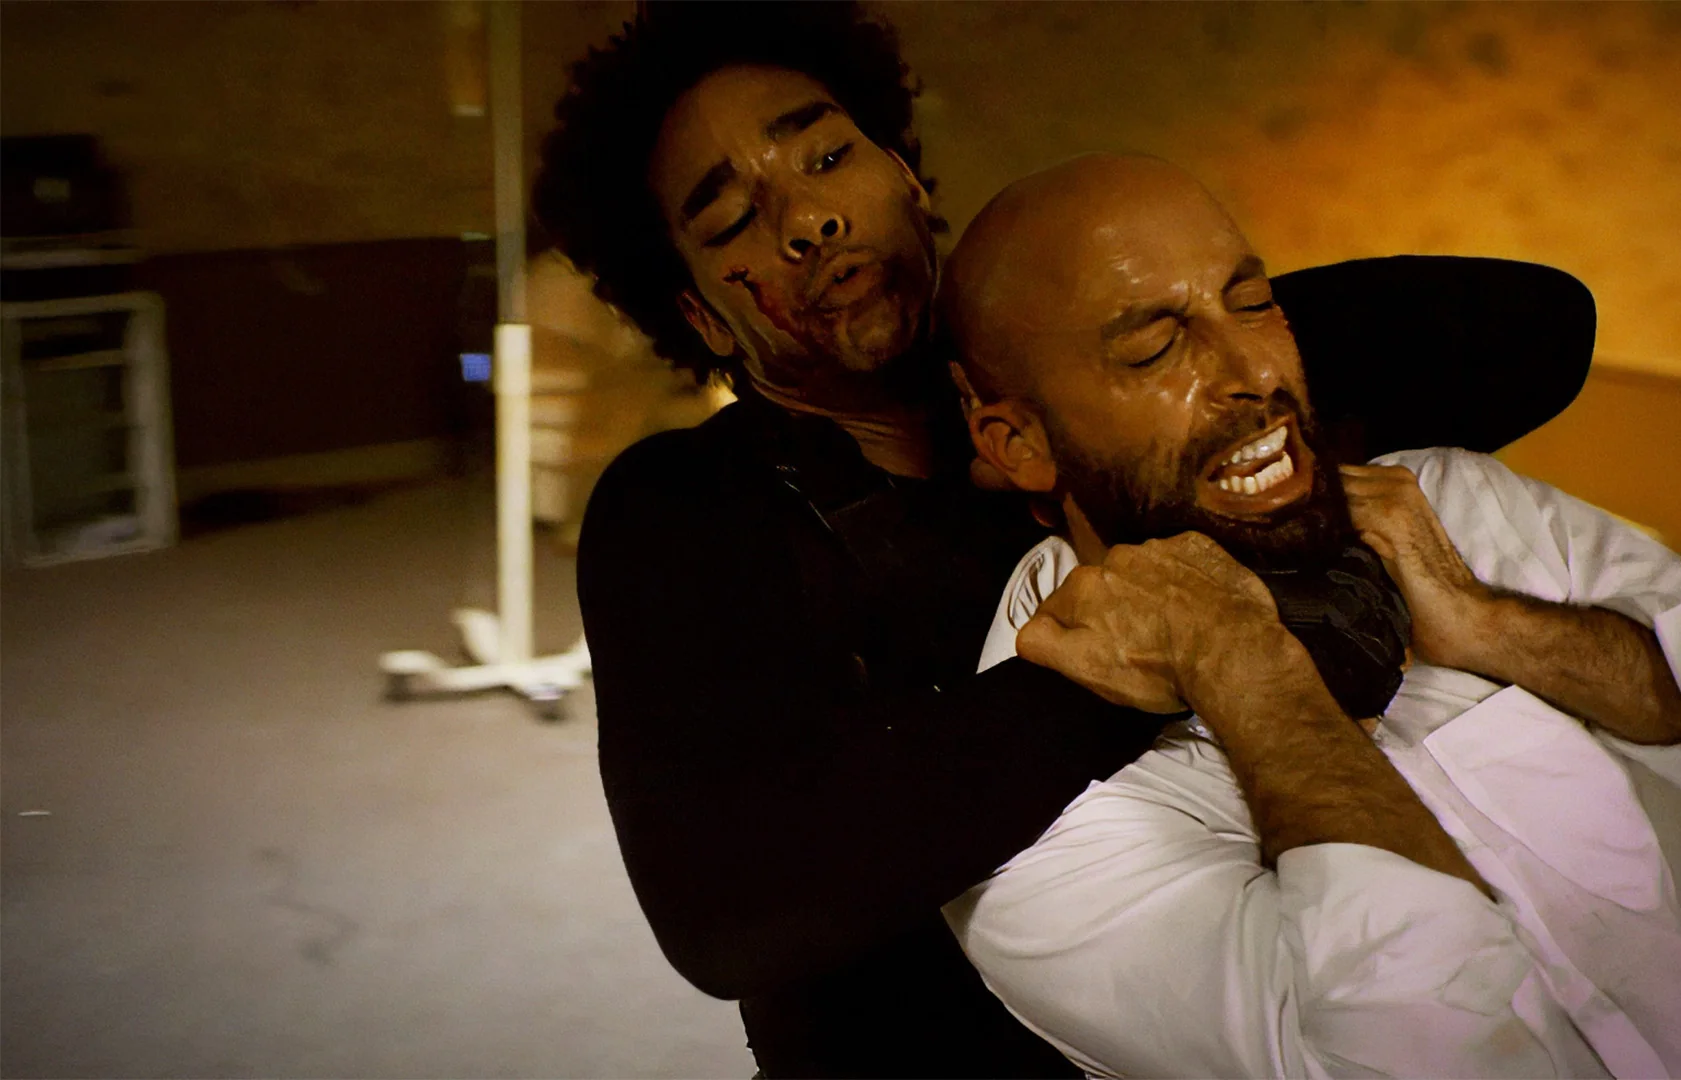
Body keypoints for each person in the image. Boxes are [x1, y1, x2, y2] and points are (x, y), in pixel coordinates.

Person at [534, 4, 1600, 1075]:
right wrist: (1136, 667)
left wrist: (1161, 325)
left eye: (826, 158)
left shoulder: (1082, 393)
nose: (807, 219)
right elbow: (725, 911)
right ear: (702, 316)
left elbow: (1540, 330)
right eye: (733, 222)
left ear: (905, 177)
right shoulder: (683, 511)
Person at [936, 152, 1681, 1078]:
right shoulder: (1027, 827)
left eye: (1253, 302)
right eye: (1155, 348)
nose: (1256, 374)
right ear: (1020, 442)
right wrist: (1246, 670)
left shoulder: (1442, 507)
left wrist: (1496, 626)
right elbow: (1443, 1055)